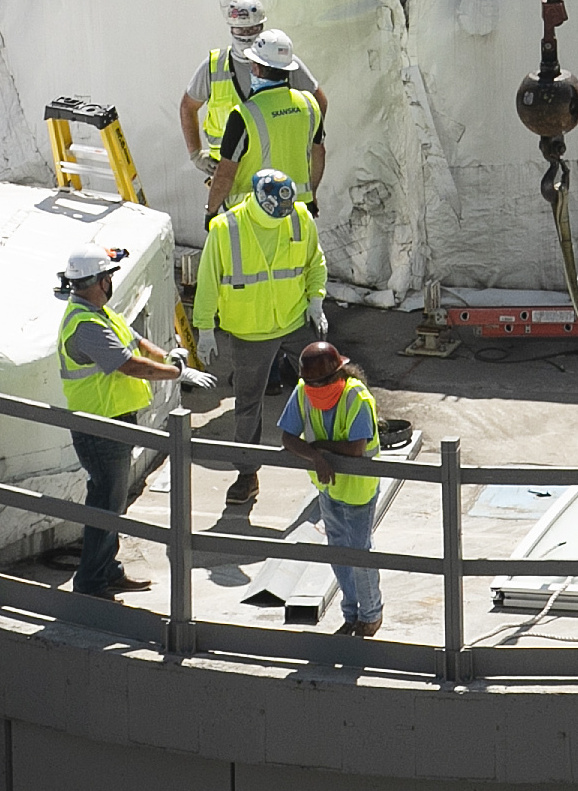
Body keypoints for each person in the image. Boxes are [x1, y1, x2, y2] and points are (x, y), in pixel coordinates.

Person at [190, 165, 327, 524]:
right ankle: (247, 473)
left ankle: (336, 457)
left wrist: (316, 299)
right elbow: (208, 282)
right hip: (251, 331)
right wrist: (204, 328)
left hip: (296, 319)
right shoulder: (226, 229)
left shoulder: (297, 216)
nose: (280, 218)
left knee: (329, 388)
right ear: (257, 201)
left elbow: (315, 261)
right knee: (248, 404)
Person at [50, 243, 183, 600]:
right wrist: (176, 373)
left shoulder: (98, 313)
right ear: (98, 281)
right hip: (100, 426)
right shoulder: (87, 325)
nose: (111, 282)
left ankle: (107, 570)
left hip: (111, 422)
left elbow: (137, 342)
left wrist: (169, 356)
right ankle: (92, 582)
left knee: (110, 503)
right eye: (108, 275)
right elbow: (131, 364)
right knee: (106, 506)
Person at [275, 337, 389, 639]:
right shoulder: (303, 392)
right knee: (339, 552)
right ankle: (351, 616)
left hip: (359, 489)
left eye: (321, 382)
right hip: (328, 489)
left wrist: (320, 447)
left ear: (339, 374)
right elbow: (288, 438)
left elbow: (355, 450)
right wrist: (315, 457)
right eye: (311, 384)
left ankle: (371, 616)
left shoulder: (357, 398)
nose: (316, 390)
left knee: (359, 552)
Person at [201, 27, 329, 215]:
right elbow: (319, 154)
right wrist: (310, 195)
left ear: (256, 67)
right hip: (298, 210)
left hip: (252, 215)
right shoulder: (309, 105)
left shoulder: (243, 115)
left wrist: (211, 211)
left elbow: (225, 175)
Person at [176, 0, 272, 217]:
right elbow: (187, 107)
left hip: (268, 173)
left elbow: (313, 102)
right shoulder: (214, 66)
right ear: (231, 28)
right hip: (228, 175)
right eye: (241, 29)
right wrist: (196, 155)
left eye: (252, 29)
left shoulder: (277, 61)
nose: (246, 35)